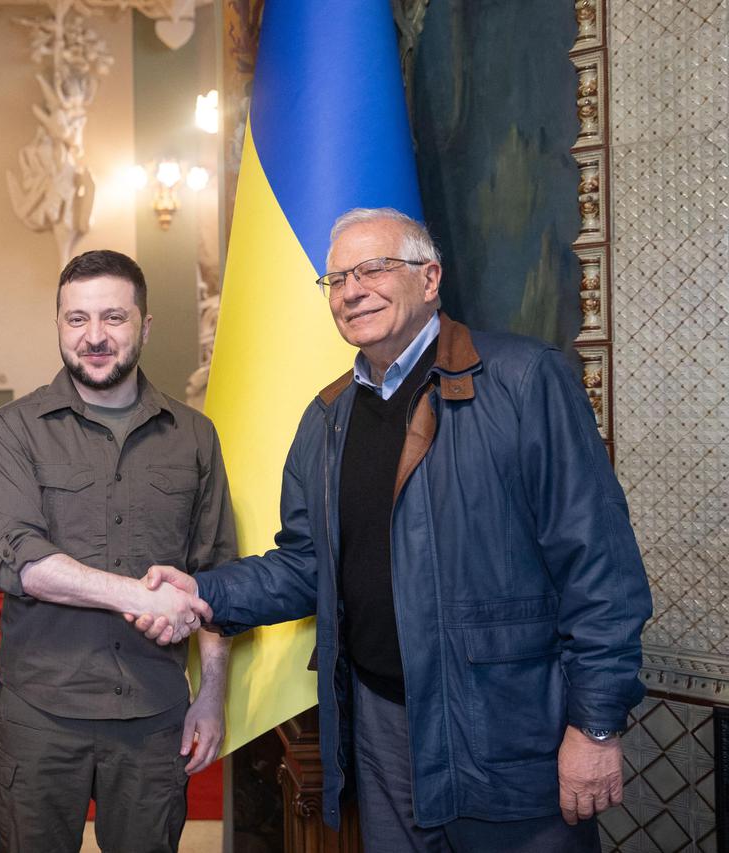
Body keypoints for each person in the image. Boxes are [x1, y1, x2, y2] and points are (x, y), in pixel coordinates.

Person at [135, 208, 652, 852]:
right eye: (337, 280)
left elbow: (600, 569)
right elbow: (306, 566)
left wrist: (596, 725)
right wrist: (202, 592)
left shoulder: (525, 382)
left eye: (374, 269)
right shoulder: (327, 419)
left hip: (506, 729)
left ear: (429, 278)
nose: (352, 291)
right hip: (380, 728)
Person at [0, 249, 235, 853]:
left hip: (154, 717)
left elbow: (217, 574)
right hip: (40, 717)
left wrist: (213, 695)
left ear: (145, 326)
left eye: (114, 317)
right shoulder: (14, 429)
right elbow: (23, 561)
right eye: (77, 319)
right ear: (59, 325)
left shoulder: (195, 436)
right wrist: (140, 597)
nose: (94, 336)